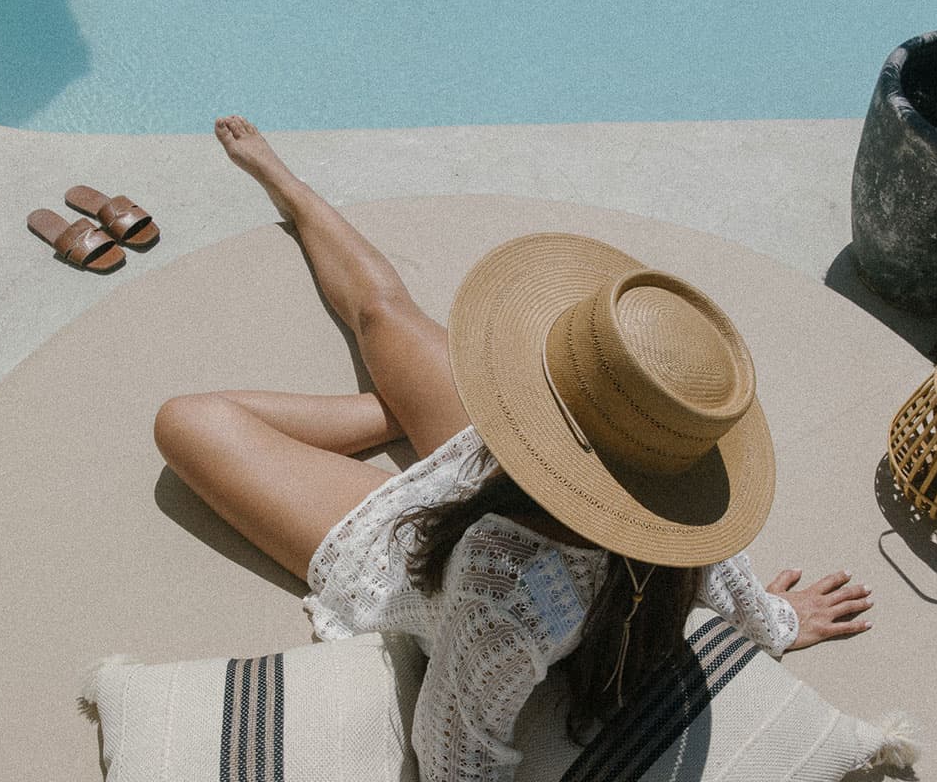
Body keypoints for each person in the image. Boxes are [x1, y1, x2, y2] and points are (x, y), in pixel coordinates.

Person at [154, 116, 875, 782]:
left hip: (412, 539)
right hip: (505, 456)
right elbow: (712, 555)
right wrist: (772, 622)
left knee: (186, 420)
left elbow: (449, 757)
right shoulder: (671, 485)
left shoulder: (507, 590)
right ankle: (292, 190)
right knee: (383, 313)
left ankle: (387, 410)